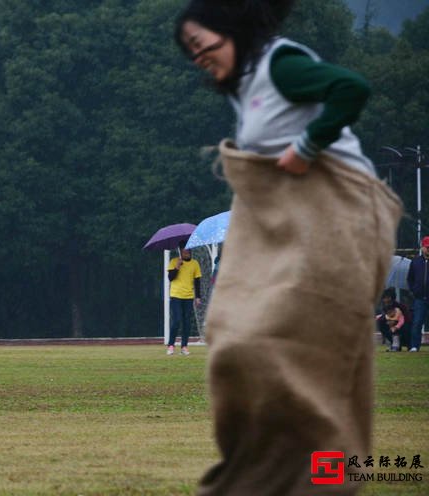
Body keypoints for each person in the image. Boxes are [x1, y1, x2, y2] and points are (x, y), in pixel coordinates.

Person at [174, 1, 402, 494]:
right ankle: (266, 468)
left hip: (341, 218)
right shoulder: (245, 86)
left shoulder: (280, 64)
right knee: (232, 336)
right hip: (299, 228)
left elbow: (351, 88)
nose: (198, 57)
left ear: (230, 28)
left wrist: (307, 145)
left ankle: (324, 475)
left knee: (305, 357)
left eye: (201, 43)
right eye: (190, 51)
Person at [166, 242, 202, 356]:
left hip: (188, 296)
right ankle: (171, 345)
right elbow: (170, 278)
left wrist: (198, 297)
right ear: (180, 251)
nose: (186, 252)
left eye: (188, 250)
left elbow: (197, 282)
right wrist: (177, 267)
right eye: (184, 250)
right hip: (176, 295)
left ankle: (184, 346)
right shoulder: (174, 261)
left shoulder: (195, 263)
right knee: (176, 320)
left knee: (187, 322)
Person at [406, 236, 429, 352]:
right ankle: (415, 346)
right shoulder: (415, 262)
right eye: (427, 247)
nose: (428, 249)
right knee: (417, 323)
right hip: (419, 299)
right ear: (422, 247)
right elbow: (409, 279)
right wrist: (413, 290)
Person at [375, 287, 410, 352]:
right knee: (381, 323)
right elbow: (384, 316)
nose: (385, 299)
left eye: (387, 297)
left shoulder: (400, 306)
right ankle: (394, 343)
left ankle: (401, 344)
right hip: (390, 327)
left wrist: (396, 324)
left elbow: (406, 319)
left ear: (392, 298)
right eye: (384, 298)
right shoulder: (384, 307)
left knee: (396, 329)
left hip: (402, 326)